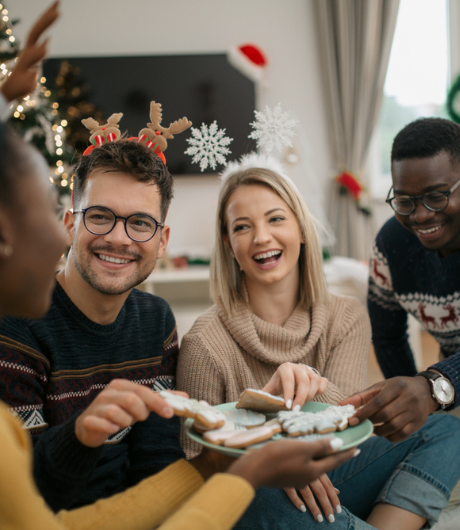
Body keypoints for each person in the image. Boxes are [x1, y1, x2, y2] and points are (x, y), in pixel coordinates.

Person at [0, 124, 358, 530]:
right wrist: (82, 435)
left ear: (163, 239)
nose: (119, 238)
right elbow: (26, 503)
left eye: (140, 223)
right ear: (70, 223)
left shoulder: (155, 320)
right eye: (100, 217)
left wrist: (243, 435)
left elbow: (156, 466)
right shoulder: (16, 327)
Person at [177, 153, 460, 530]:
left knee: (446, 430)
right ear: (228, 243)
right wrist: (274, 460)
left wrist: (309, 382)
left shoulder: (345, 316)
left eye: (275, 219)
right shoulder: (205, 342)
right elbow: (195, 470)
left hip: (330, 474)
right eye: (242, 227)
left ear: (301, 227)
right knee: (255, 493)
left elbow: (349, 429)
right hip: (259, 495)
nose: (262, 237)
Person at [350, 116, 460, 506]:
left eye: (436, 196)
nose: (421, 215)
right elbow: (387, 334)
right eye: (405, 200)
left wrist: (432, 387)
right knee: (432, 495)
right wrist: (408, 404)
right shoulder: (391, 246)